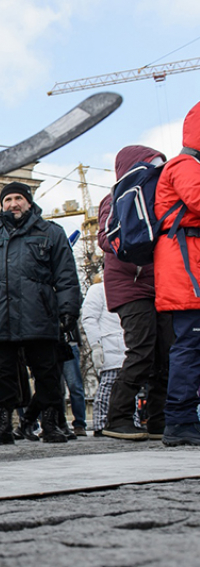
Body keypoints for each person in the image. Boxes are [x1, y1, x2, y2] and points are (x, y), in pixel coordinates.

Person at [0, 182, 81, 445]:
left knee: (47, 373)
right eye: (8, 200)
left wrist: (68, 310)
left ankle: (51, 425)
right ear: (1, 204)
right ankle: (3, 426)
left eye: (19, 198)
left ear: (29, 202)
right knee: (1, 375)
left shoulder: (52, 233)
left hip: (39, 314)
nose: (13, 204)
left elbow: (66, 276)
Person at [97, 145, 172, 441]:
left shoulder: (158, 198)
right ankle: (118, 417)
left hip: (159, 285)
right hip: (130, 286)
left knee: (164, 353)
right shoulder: (114, 198)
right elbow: (105, 238)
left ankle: (159, 419)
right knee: (141, 351)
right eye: (151, 166)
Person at [153, 101, 200, 446]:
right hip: (186, 272)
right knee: (189, 345)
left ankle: (183, 419)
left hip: (189, 269)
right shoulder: (184, 164)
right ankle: (180, 420)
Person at [81, 276, 127, 436]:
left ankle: (128, 421)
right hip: (110, 346)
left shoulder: (125, 288)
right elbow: (88, 318)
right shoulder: (98, 290)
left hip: (125, 346)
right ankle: (101, 424)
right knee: (109, 385)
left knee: (128, 386)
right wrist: (96, 345)